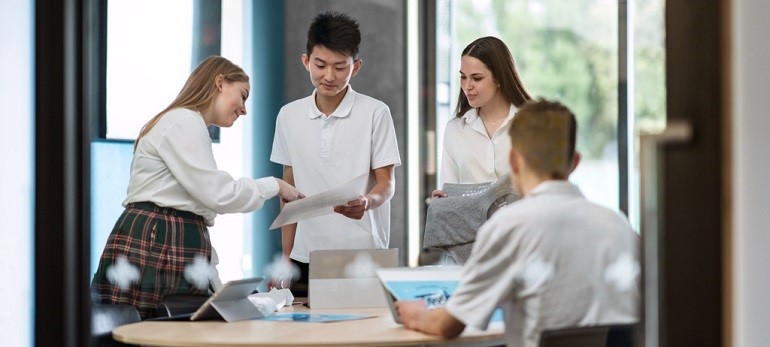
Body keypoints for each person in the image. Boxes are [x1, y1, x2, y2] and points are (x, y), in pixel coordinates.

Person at [396, 99, 639, 347]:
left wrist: (413, 313)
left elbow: (447, 325)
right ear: (575, 161)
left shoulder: (509, 227)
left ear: (513, 162)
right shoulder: (619, 227)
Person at [91, 56, 303, 319]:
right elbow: (219, 194)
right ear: (220, 82)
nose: (244, 110)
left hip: (168, 234)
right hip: (160, 236)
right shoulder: (183, 121)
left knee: (174, 326)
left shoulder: (186, 124)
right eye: (243, 95)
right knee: (162, 330)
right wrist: (275, 185)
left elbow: (203, 202)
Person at [270, 11, 401, 295]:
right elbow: (288, 192)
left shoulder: (376, 113)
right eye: (320, 65)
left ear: (356, 67)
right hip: (306, 256)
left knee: (363, 336)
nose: (329, 76)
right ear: (306, 61)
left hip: (364, 254)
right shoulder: (288, 116)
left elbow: (387, 184)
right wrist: (285, 257)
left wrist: (367, 201)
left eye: (340, 67)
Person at [432, 36, 532, 199]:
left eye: (476, 78)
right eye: (463, 77)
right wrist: (442, 201)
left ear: (499, 77)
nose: (467, 86)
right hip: (470, 225)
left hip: (521, 223)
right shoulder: (455, 129)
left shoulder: (531, 125)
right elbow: (450, 193)